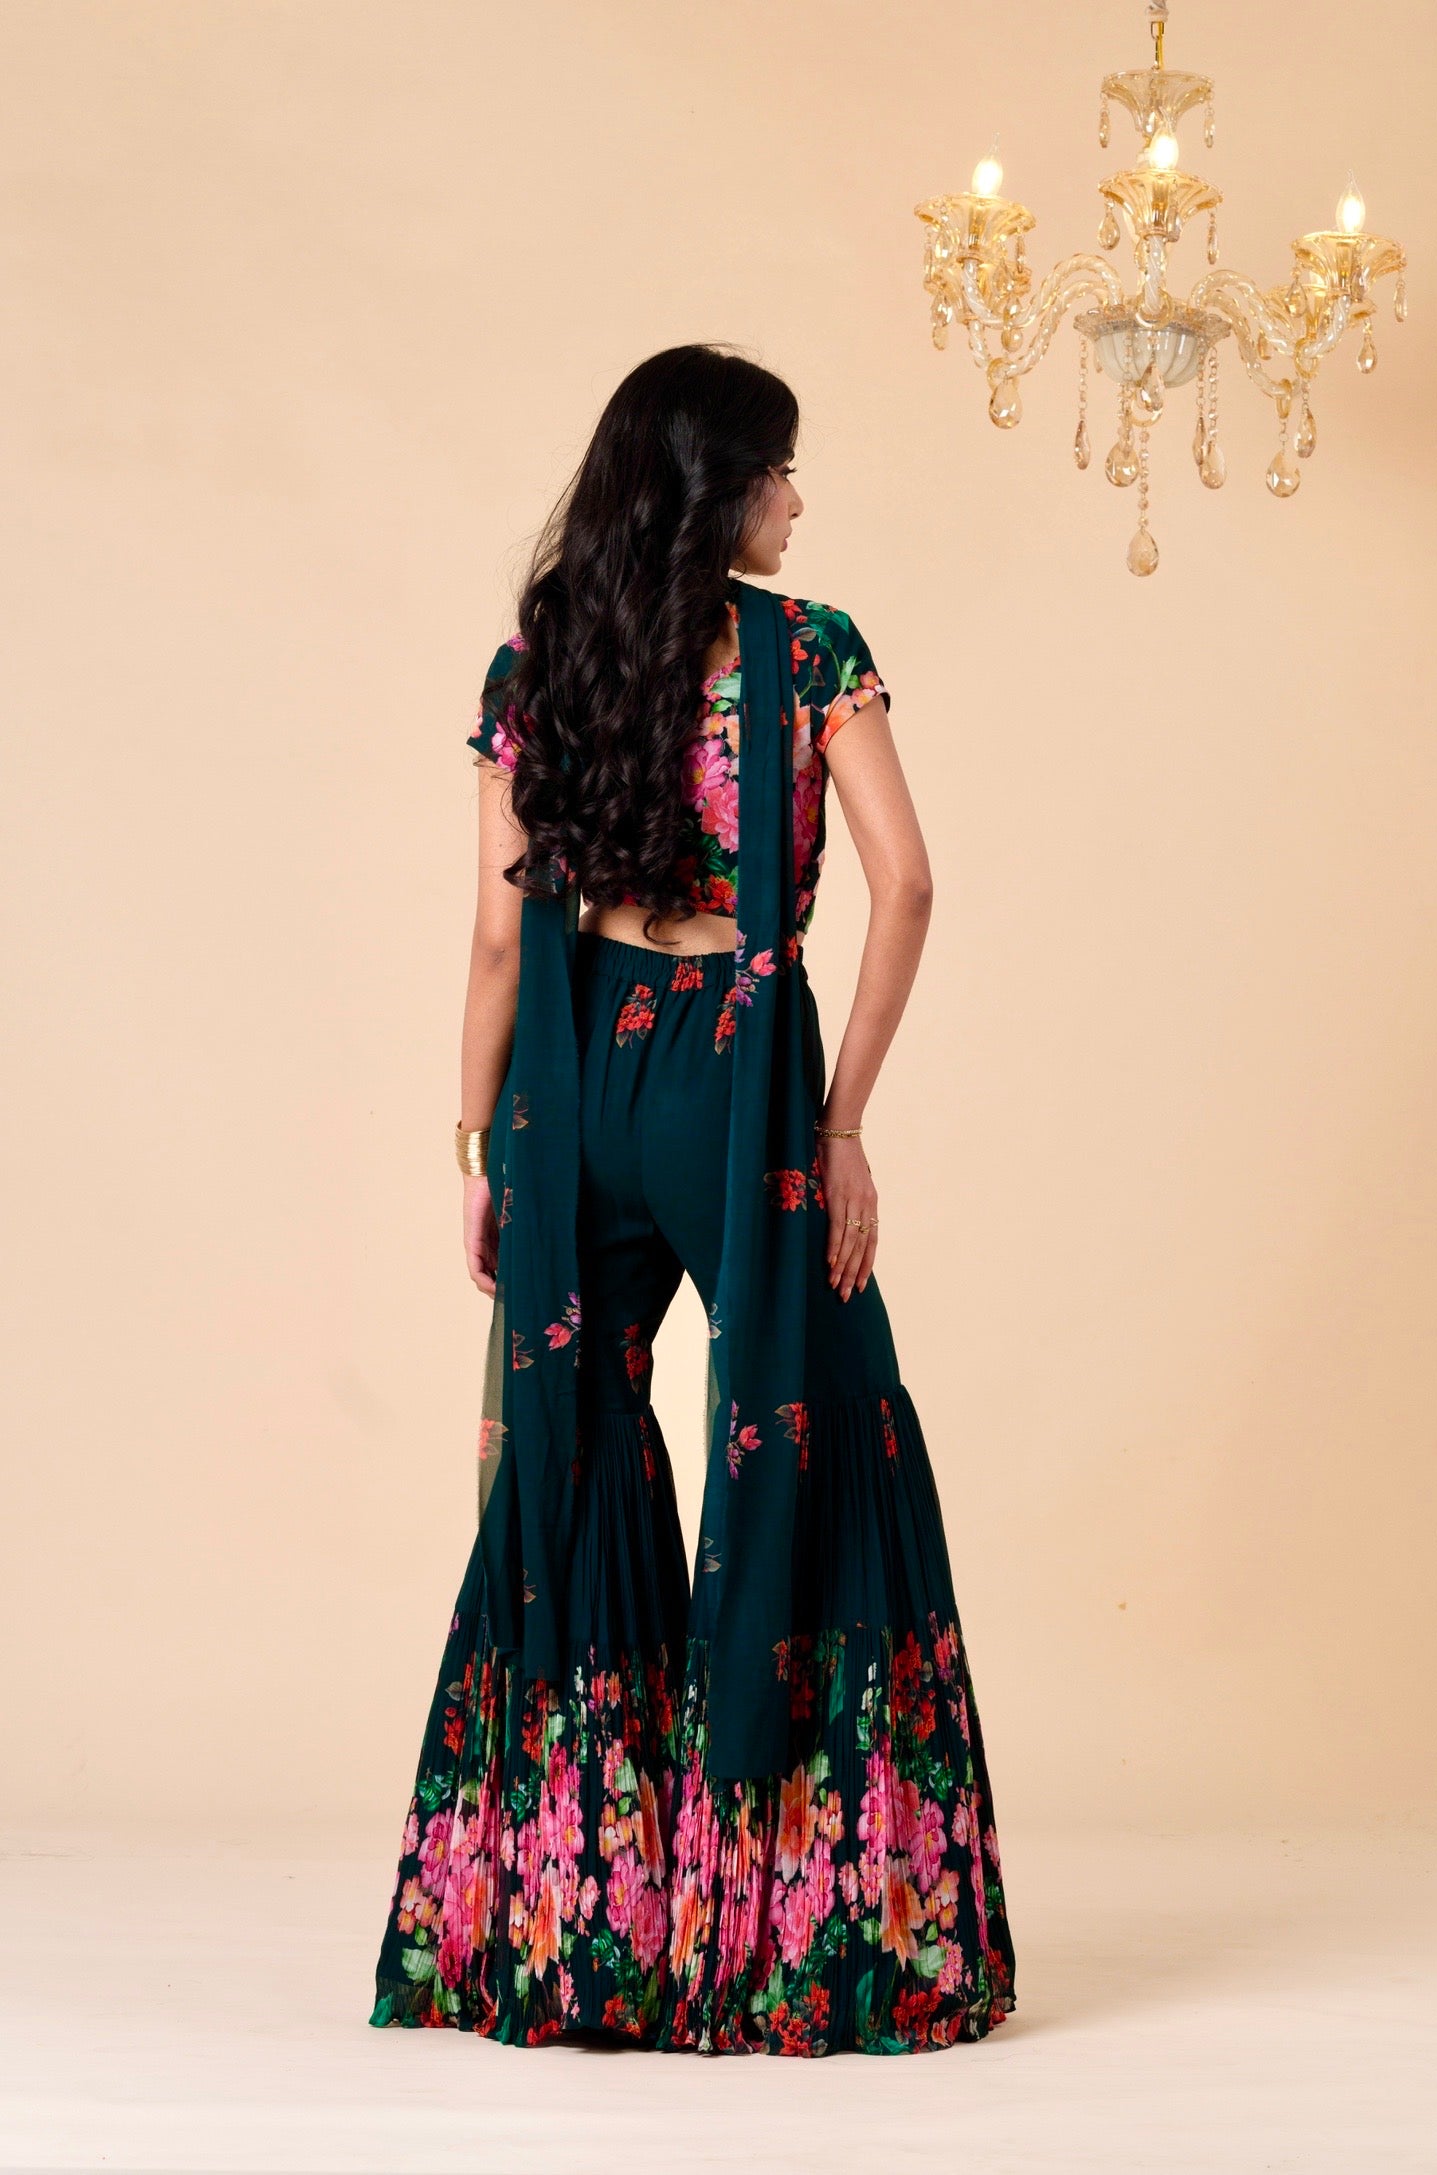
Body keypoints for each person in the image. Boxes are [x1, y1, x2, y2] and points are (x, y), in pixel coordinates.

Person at [369, 344, 1014, 2056]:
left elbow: (503, 940)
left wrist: (477, 1147)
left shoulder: (547, 655)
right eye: (783, 471)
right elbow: (913, 885)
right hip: (738, 1070)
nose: (798, 501)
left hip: (580, 1079)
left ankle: (574, 1932)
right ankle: (812, 1933)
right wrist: (845, 1119)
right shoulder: (812, 656)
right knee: (813, 1430)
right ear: (720, 483)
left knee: (568, 1463)